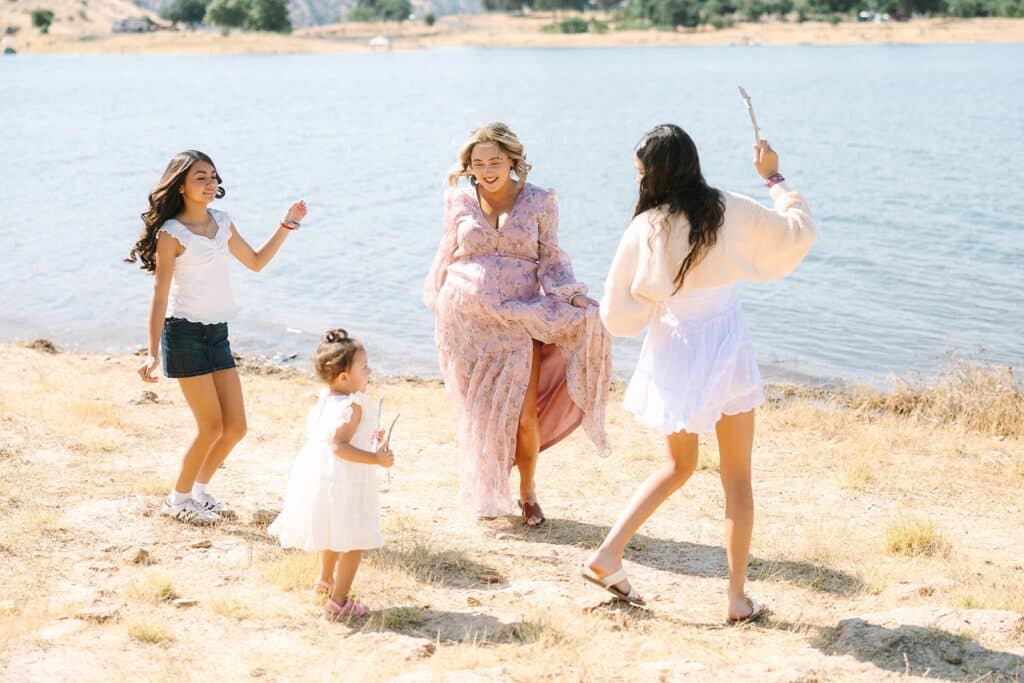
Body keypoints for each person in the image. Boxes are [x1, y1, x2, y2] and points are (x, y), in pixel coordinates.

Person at [583, 125, 816, 622]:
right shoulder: (726, 207)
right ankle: (736, 599)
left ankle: (608, 554)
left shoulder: (647, 226)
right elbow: (796, 232)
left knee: (678, 465)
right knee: (737, 477)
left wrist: (657, 304)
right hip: (724, 342)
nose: (639, 179)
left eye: (642, 172)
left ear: (656, 174)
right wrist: (773, 177)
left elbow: (618, 310)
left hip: (675, 345)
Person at [424, 122, 612, 526]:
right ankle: (490, 489)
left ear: (512, 160)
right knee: (479, 416)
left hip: (517, 322)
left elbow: (552, 259)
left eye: (494, 161)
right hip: (466, 325)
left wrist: (573, 297)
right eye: (478, 163)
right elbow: (447, 253)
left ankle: (528, 492)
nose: (486, 170)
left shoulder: (540, 200)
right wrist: (438, 301)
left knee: (524, 417)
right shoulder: (458, 200)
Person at [127, 150, 307, 525]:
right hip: (184, 333)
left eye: (213, 176)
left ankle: (197, 493)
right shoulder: (171, 234)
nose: (210, 184)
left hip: (217, 332)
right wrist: (151, 353)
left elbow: (255, 262)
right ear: (180, 186)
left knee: (236, 426)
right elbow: (159, 296)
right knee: (210, 427)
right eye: (200, 177)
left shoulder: (222, 222)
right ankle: (177, 501)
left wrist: (287, 225)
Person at [267, 329, 394, 620]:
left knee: (333, 531)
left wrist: (371, 438)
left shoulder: (327, 398)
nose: (370, 372)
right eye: (364, 367)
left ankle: (324, 581)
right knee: (352, 540)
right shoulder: (352, 406)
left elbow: (336, 437)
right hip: (344, 479)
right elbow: (340, 446)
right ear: (344, 377)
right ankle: (339, 602)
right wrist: (376, 458)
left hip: (322, 476)